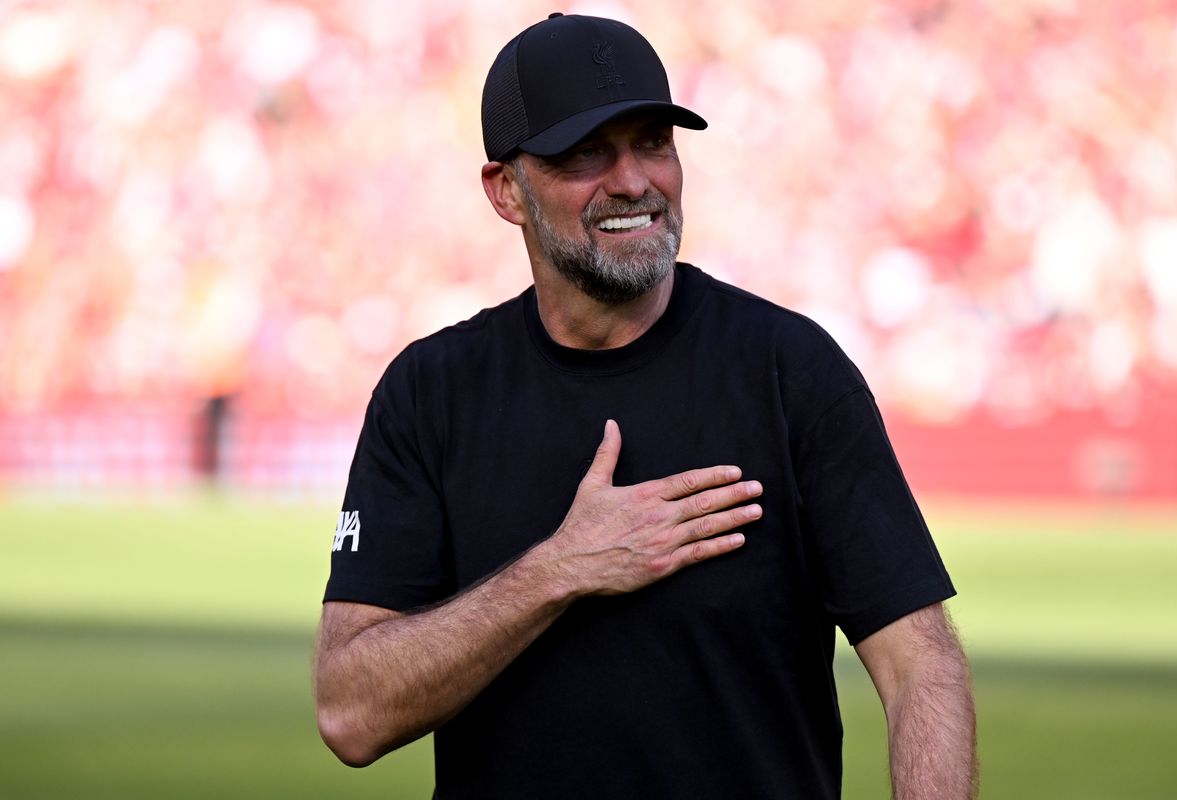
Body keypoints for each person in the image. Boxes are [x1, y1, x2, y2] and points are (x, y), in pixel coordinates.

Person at [315, 12, 977, 800]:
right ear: (506, 192)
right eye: (586, 153)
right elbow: (351, 714)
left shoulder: (789, 371)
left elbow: (921, 666)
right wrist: (557, 572)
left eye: (654, 142)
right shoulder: (431, 393)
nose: (633, 181)